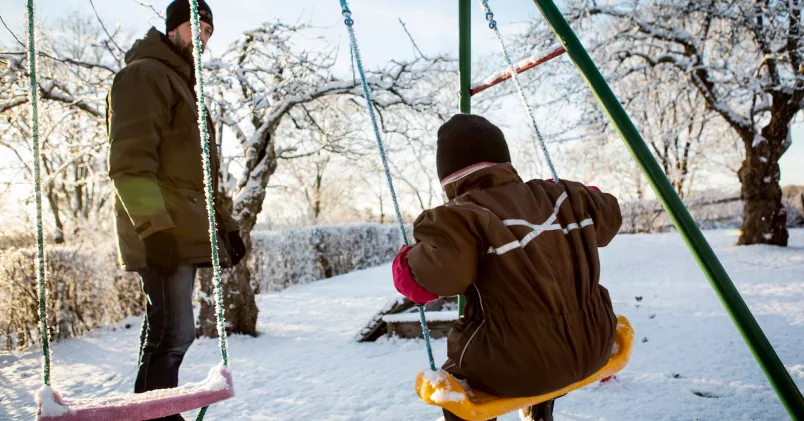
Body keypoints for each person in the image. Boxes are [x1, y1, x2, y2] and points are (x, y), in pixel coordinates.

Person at [392, 114, 622, 421]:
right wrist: (578, 193)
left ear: (448, 177)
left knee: (457, 386)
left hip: (518, 367)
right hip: (595, 341)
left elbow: (421, 285)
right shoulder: (563, 196)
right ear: (504, 160)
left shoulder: (461, 217)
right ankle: (538, 412)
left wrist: (405, 262)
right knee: (539, 350)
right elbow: (609, 213)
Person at [106, 1, 244, 419]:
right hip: (162, 229)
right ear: (171, 29)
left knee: (168, 333)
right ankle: (153, 414)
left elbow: (199, 179)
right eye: (193, 27)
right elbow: (131, 161)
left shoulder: (184, 86)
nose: (200, 37)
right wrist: (154, 229)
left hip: (181, 227)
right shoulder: (144, 75)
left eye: (207, 31)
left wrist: (227, 228)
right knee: (173, 333)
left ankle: (154, 410)